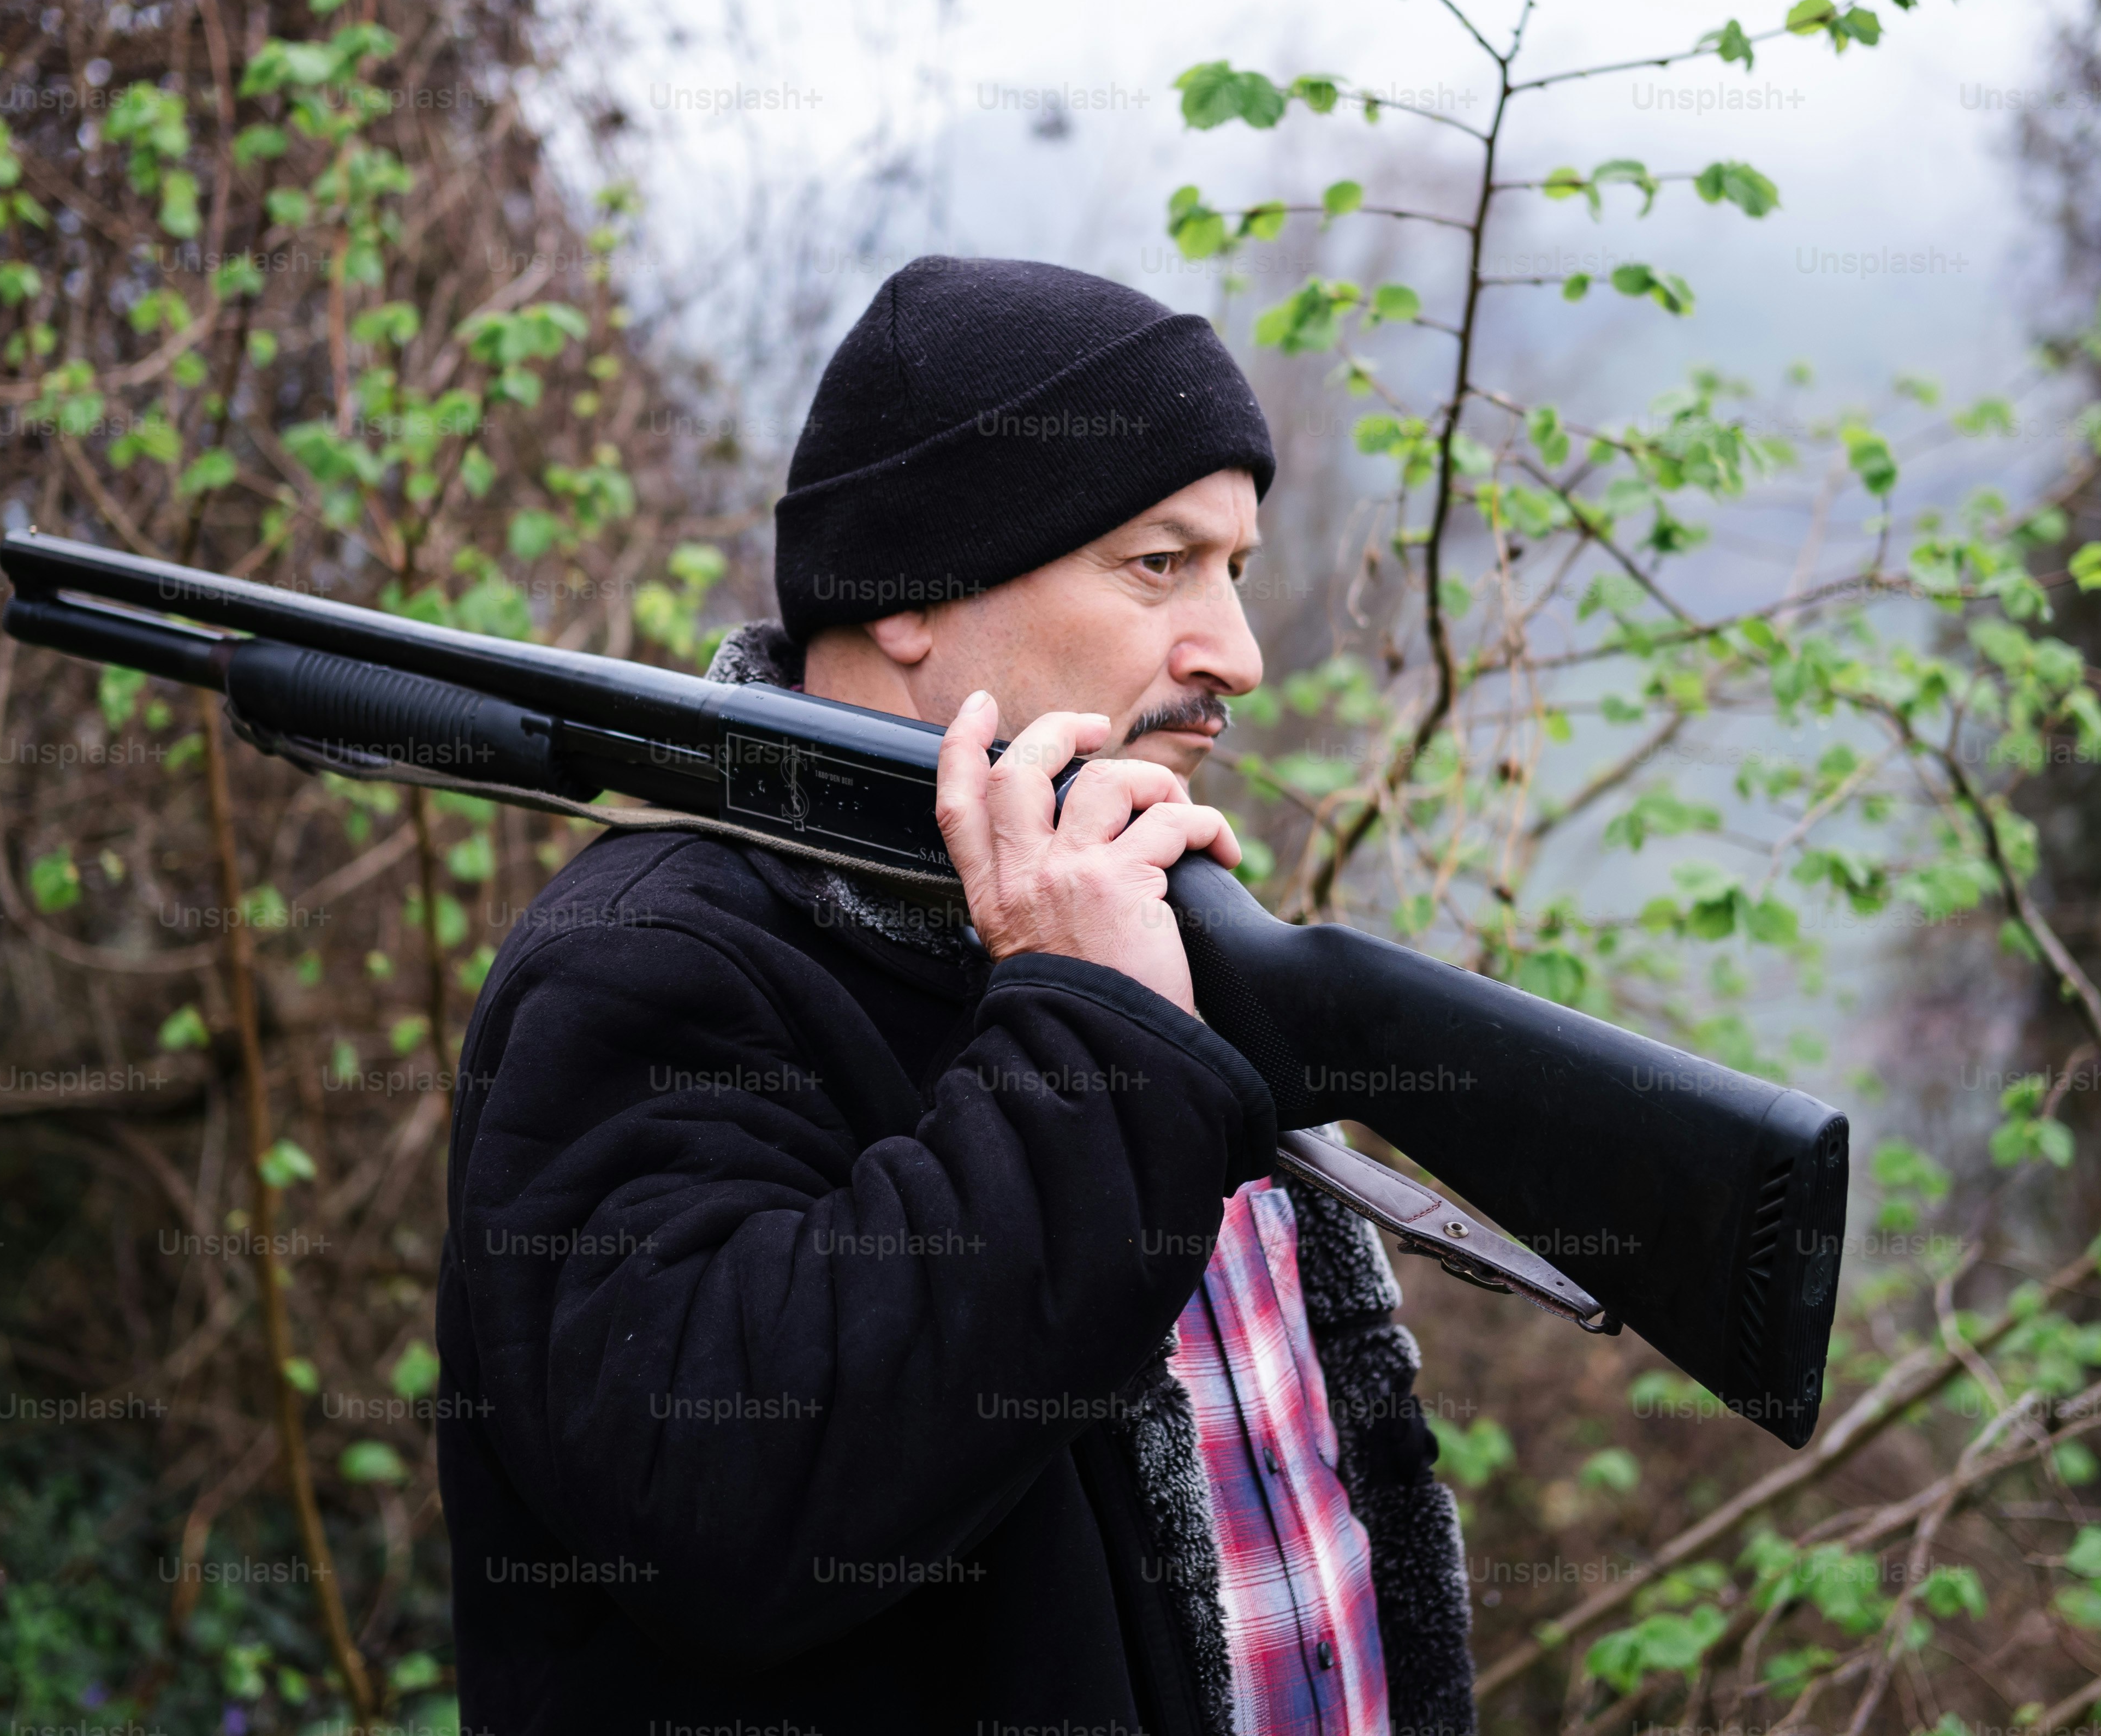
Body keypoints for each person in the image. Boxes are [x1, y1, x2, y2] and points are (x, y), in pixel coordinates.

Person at [436, 255, 1475, 1735]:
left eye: (1235, 569)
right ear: (914, 596)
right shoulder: (647, 966)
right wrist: (1087, 1041)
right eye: (1158, 565)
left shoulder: (1149, 935)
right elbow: (727, 1507)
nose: (1234, 654)